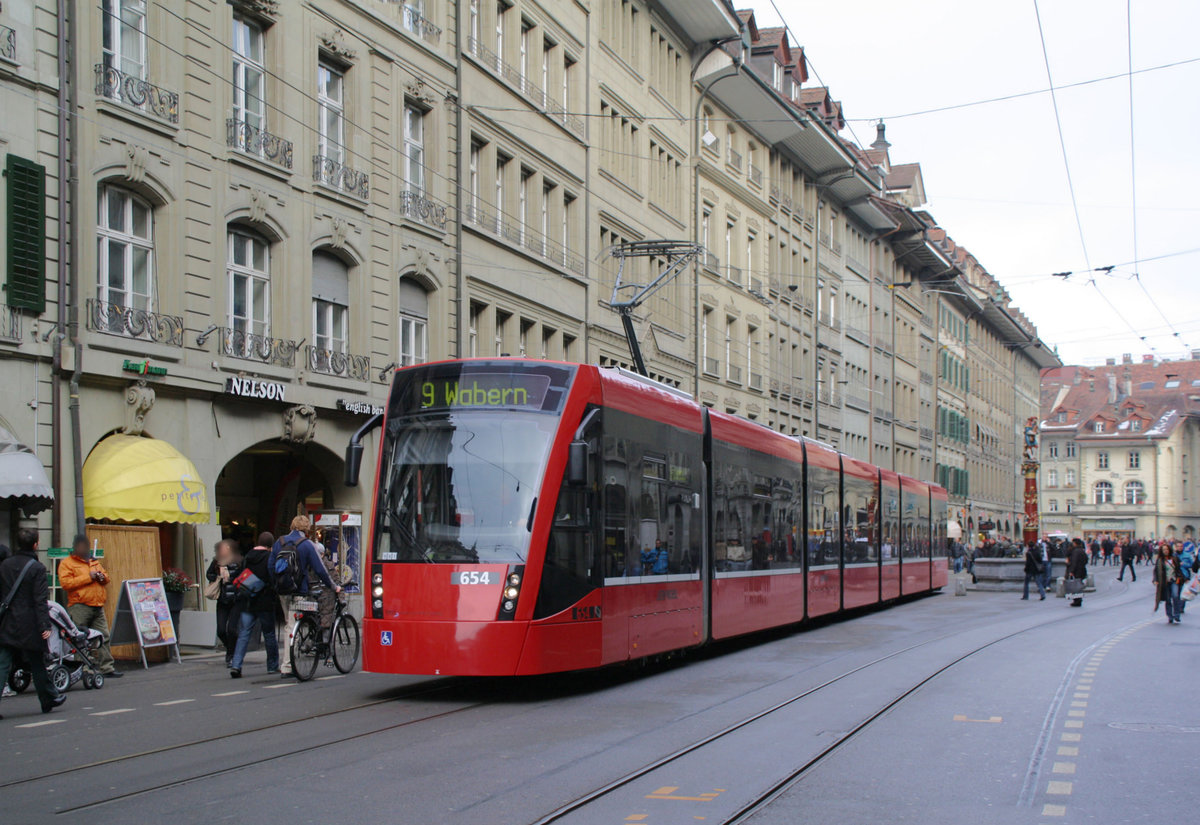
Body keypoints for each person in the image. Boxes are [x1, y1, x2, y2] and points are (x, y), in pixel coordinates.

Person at [0, 528, 65, 717]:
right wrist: (45, 625)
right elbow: (40, 600)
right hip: (30, 623)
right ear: (36, 545)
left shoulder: (4, 565)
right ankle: (48, 698)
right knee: (37, 663)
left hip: (7, 621)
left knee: (2, 664)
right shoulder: (37, 568)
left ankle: (50, 697)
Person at [270, 516, 341, 679]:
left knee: (288, 624)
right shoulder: (307, 545)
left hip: (282, 591)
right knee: (294, 625)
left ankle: (289, 660)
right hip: (299, 591)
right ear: (307, 529)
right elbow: (320, 570)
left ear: (292, 526)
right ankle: (288, 666)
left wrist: (276, 584)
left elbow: (270, 565)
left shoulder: (279, 542)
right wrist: (333, 586)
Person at [57, 534, 121, 678]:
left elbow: (106, 577)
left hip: (97, 605)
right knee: (79, 638)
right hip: (79, 606)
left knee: (103, 636)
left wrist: (101, 577)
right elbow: (66, 584)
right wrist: (88, 577)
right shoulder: (67, 563)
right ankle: (83, 669)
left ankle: (107, 667)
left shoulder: (93, 561)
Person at [228, 532, 279, 678]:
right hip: (265, 601)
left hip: (248, 600)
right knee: (269, 634)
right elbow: (273, 578)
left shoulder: (248, 556)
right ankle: (272, 666)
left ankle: (236, 665)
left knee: (244, 634)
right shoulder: (270, 558)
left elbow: (240, 575)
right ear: (270, 545)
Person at [205, 540, 243, 667]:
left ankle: (231, 655)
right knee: (221, 630)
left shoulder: (238, 561)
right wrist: (218, 576)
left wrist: (234, 580)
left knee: (232, 629)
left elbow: (244, 576)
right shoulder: (217, 562)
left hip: (236, 600)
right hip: (222, 600)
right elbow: (209, 574)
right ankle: (231, 649)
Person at [1153, 543, 1183, 624]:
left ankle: (1177, 615)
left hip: (1174, 580)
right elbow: (1156, 571)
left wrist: (1180, 576)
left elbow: (1178, 569)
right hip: (1165, 582)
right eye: (1164, 550)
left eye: (1166, 549)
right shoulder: (1160, 560)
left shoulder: (1174, 558)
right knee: (1168, 599)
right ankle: (1170, 616)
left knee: (1175, 596)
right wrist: (1155, 580)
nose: (1165, 551)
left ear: (1169, 550)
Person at [1067, 538, 1088, 607]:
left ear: (1075, 543)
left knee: (1075, 586)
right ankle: (1079, 600)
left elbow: (1074, 562)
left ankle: (1077, 600)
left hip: (1077, 571)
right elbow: (1086, 560)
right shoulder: (1082, 550)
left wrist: (1071, 571)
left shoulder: (1075, 551)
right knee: (1079, 586)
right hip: (1082, 570)